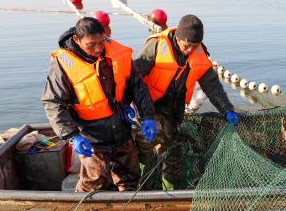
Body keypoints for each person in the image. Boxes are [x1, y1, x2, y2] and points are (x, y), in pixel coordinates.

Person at [42, 17, 156, 192]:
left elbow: (136, 85)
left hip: (122, 130)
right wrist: (72, 136)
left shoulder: (117, 53)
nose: (98, 49)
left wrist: (147, 115)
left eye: (102, 42)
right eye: (90, 44)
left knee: (130, 179)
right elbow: (53, 103)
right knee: (93, 186)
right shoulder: (62, 64)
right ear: (77, 40)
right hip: (91, 138)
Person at [134, 14, 238, 190]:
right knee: (145, 143)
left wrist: (227, 109)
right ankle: (140, 186)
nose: (190, 50)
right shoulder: (157, 45)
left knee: (172, 151)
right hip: (147, 102)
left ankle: (171, 194)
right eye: (187, 45)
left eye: (194, 46)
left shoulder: (199, 52)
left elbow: (212, 85)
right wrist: (141, 112)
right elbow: (134, 79)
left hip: (173, 106)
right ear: (178, 37)